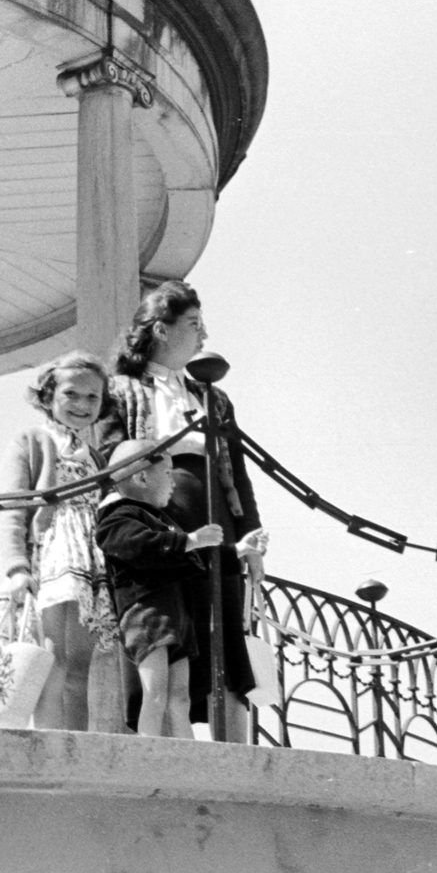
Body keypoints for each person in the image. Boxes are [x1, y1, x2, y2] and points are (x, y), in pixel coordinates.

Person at [108, 280, 269, 737]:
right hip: (162, 530)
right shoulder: (120, 391)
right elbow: (110, 465)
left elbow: (238, 474)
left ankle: (234, 752)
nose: (204, 336)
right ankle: (166, 750)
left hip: (218, 529)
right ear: (161, 329)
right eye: (194, 324)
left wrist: (250, 536)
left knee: (226, 641)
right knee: (169, 643)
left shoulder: (213, 398)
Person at [0, 351, 121, 731]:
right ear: (49, 395)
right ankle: (50, 741)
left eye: (92, 398)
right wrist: (17, 567)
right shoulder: (33, 440)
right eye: (71, 394)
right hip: (52, 557)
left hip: (89, 561)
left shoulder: (96, 457)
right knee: (51, 657)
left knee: (82, 661)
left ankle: (76, 743)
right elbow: (13, 507)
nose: (82, 405)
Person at [94, 440, 225, 738]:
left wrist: (235, 550)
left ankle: (187, 759)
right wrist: (189, 541)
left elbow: (186, 557)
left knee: (180, 697)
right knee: (155, 692)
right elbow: (138, 545)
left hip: (175, 618)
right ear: (141, 477)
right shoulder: (119, 515)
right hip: (148, 614)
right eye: (167, 474)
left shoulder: (160, 520)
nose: (173, 483)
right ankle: (149, 755)